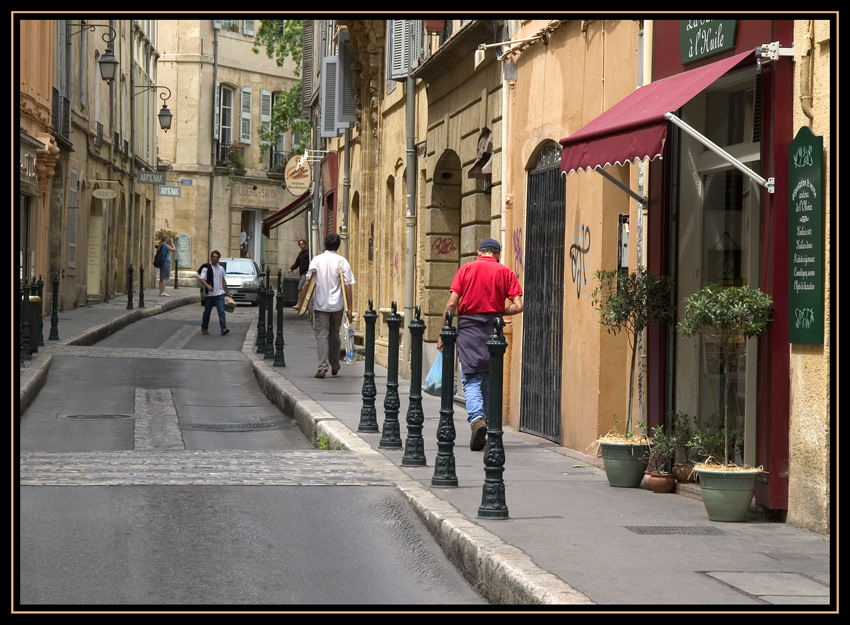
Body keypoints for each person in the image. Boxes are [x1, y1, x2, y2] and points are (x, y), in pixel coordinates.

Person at [438, 238, 523, 451]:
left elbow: (451, 303)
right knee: (487, 378)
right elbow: (518, 306)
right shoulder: (506, 272)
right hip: (493, 330)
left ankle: (477, 420)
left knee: (471, 378)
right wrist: (497, 309)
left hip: (469, 329)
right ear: (498, 254)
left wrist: (444, 333)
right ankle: (489, 428)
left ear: (479, 252)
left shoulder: (466, 269)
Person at [300, 233, 354, 378]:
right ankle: (335, 365)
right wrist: (350, 308)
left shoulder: (317, 260)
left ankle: (322, 367)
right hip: (337, 305)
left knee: (322, 335)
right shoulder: (342, 261)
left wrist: (301, 302)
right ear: (338, 245)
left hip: (320, 304)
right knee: (335, 335)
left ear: (325, 245)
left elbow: (308, 281)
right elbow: (347, 286)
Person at [198, 250, 231, 336]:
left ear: (219, 258)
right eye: (214, 257)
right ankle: (204, 327)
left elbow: (223, 281)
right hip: (209, 294)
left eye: (217, 257)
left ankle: (223, 328)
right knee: (207, 312)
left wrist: (226, 291)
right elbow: (201, 278)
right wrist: (207, 286)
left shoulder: (221, 269)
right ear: (211, 257)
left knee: (221, 311)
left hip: (219, 294)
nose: (215, 258)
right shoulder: (206, 268)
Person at [288, 238, 310, 310]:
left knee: (300, 288)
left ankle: (300, 304)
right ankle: (301, 304)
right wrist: (291, 268)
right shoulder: (301, 254)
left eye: (302, 244)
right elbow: (297, 263)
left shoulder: (308, 253)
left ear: (305, 244)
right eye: (300, 244)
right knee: (302, 288)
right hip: (302, 273)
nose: (301, 245)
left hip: (306, 273)